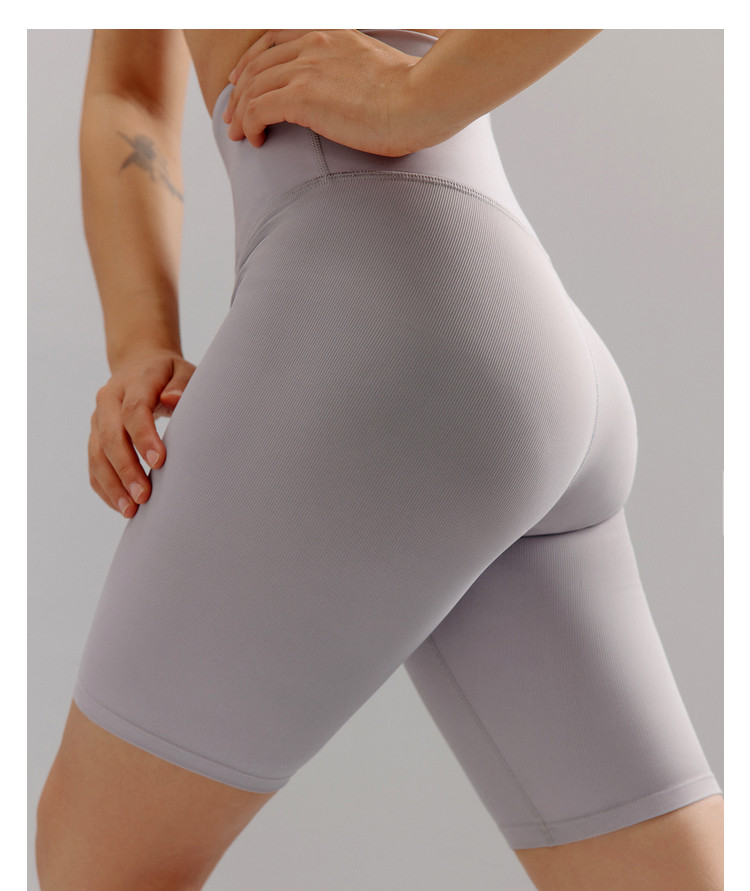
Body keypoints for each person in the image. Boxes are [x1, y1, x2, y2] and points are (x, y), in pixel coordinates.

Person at [35, 29, 724, 890]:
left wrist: (418, 95)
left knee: (94, 863)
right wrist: (140, 342)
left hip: (372, 317)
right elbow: (130, 90)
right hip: (526, 348)